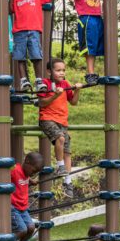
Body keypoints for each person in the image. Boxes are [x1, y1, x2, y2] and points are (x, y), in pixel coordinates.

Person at [66, 0, 120, 85]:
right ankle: (90, 73)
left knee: (98, 45)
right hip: (86, 17)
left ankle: (105, 70)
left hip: (97, 17)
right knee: (89, 47)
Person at [38, 58, 83, 198]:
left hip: (62, 121)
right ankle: (60, 166)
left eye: (63, 70)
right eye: (58, 70)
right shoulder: (44, 84)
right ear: (49, 71)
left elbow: (74, 102)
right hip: (47, 119)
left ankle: (67, 182)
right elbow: (41, 103)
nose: (61, 73)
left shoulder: (65, 84)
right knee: (61, 138)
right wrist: (55, 95)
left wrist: (77, 91)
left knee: (67, 152)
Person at [9, 0, 51, 91]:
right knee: (20, 56)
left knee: (36, 55)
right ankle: (23, 80)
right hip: (19, 32)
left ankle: (38, 80)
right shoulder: (17, 0)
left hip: (34, 31)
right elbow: (10, 10)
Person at [11, 152, 44, 241]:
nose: (33, 174)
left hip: (23, 208)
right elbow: (7, 175)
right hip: (13, 207)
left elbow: (26, 177)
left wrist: (31, 180)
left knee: (31, 228)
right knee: (22, 229)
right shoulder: (15, 170)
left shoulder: (26, 173)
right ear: (27, 162)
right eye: (33, 171)